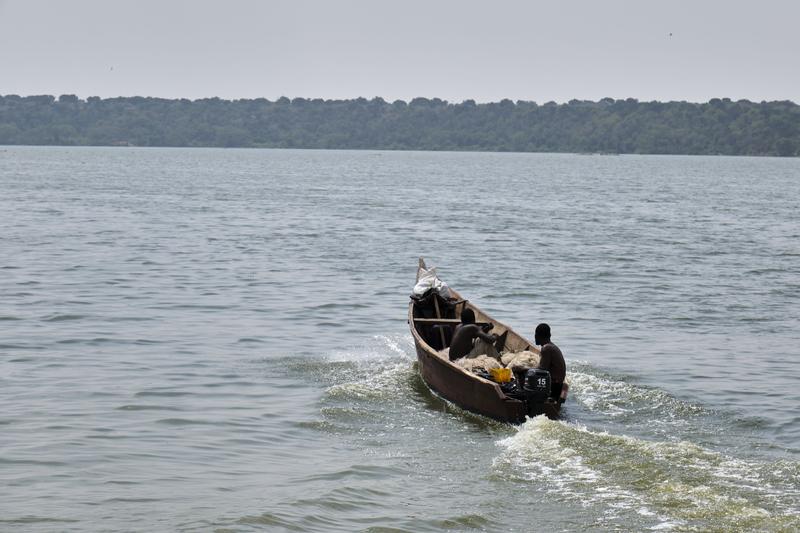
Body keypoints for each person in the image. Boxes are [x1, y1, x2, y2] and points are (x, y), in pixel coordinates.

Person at [534, 323, 566, 399]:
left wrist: (524, 369)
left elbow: (542, 370)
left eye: (535, 335)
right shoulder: (552, 346)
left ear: (537, 336)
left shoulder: (546, 348)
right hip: (558, 385)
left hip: (553, 387)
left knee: (525, 375)